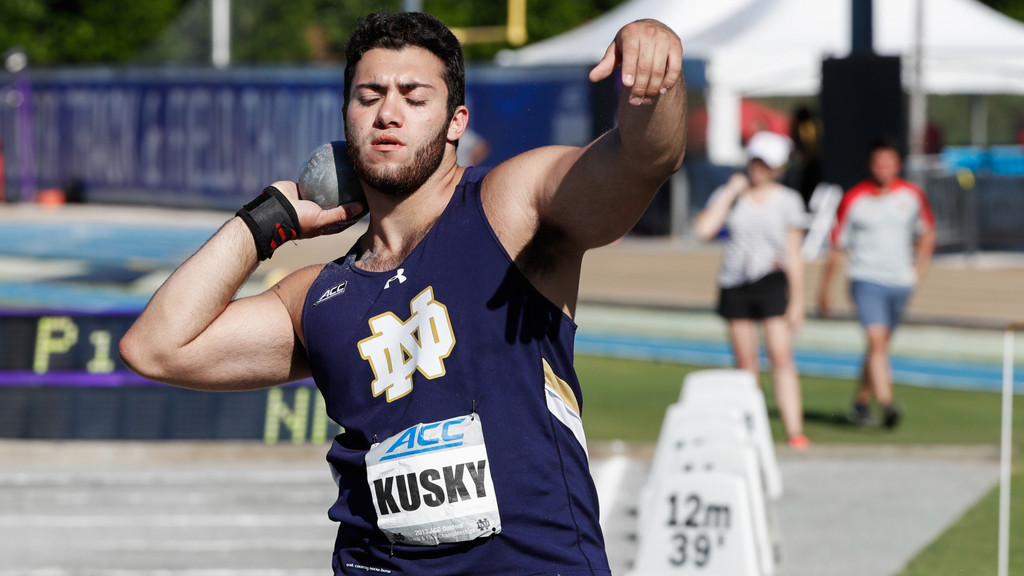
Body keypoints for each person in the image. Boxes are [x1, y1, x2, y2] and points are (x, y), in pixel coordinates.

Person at [119, 10, 686, 576]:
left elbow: (644, 160)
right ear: (345, 118)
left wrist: (654, 86)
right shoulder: (317, 296)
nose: (388, 113)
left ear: (455, 121)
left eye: (414, 98)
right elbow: (157, 348)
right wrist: (266, 222)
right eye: (369, 97)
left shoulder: (510, 208)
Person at [694, 131, 810, 450]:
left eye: (766, 163)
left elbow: (794, 254)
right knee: (746, 363)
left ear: (777, 167)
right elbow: (704, 229)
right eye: (756, 161)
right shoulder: (734, 194)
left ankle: (795, 431)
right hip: (736, 283)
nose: (759, 168)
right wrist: (730, 192)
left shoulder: (788, 201)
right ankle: (752, 432)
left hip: (771, 281)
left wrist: (798, 302)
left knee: (781, 356)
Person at [818, 138, 936, 429]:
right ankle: (887, 402)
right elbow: (836, 247)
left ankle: (860, 402)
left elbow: (928, 233)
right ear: (871, 165)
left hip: (899, 281)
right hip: (866, 278)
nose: (884, 168)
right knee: (876, 341)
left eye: (889, 162)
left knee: (878, 349)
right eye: (878, 162)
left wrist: (918, 269)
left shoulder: (911, 196)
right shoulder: (855, 199)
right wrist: (824, 289)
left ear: (897, 165)